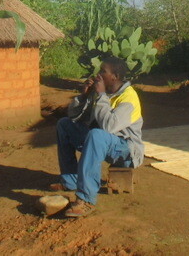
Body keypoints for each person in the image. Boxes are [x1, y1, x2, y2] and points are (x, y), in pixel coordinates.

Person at [51, 56, 144, 218]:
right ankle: (70, 180)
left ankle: (86, 198)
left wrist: (100, 96)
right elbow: (74, 116)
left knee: (96, 134)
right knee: (64, 124)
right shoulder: (103, 93)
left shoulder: (129, 98)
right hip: (103, 142)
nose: (98, 74)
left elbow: (109, 126)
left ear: (114, 76)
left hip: (127, 151)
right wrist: (84, 96)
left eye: (103, 71)